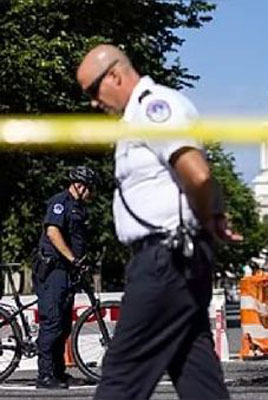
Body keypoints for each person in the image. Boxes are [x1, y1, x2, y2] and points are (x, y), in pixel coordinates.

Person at [77, 44, 239, 399]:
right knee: (197, 377)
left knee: (121, 377)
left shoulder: (154, 108)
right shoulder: (137, 116)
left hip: (164, 260)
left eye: (92, 90)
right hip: (174, 260)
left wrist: (207, 219)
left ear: (114, 75)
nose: (93, 103)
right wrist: (211, 217)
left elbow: (197, 174)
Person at [34, 165, 97, 389]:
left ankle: (58, 372)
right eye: (91, 188)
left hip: (67, 271)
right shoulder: (59, 202)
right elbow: (53, 232)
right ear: (80, 186)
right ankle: (45, 375)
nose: (92, 193)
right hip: (53, 270)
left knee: (63, 325)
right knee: (52, 322)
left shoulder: (79, 208)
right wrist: (72, 258)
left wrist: (81, 262)